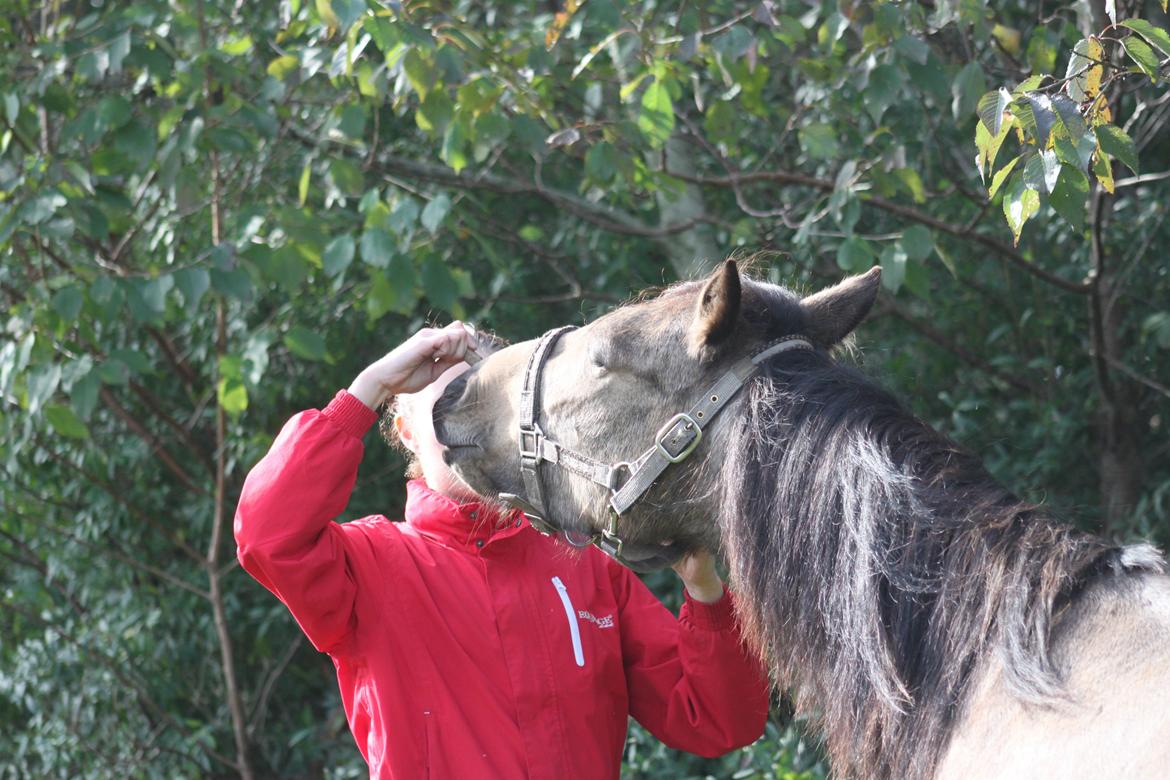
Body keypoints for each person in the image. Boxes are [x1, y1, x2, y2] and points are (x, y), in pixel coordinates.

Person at [233, 321, 770, 779]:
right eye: (449, 404)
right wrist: (367, 388)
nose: (473, 425)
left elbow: (718, 718)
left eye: (489, 403)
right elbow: (265, 533)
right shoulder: (368, 565)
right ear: (405, 429)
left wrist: (704, 589)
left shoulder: (581, 561)